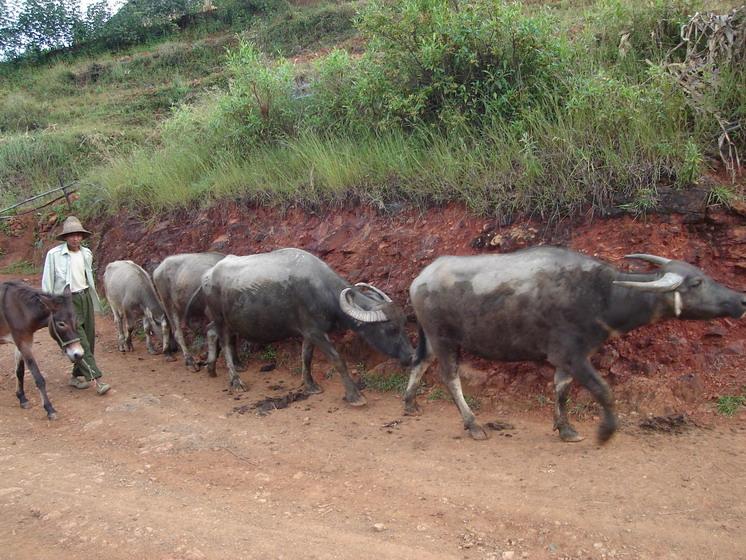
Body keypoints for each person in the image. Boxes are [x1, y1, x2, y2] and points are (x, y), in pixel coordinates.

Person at [41, 216, 111, 395]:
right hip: (66, 302)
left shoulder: (86, 253)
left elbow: (87, 277)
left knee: (88, 338)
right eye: (71, 235)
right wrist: (50, 307)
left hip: (85, 297)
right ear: (65, 237)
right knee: (79, 340)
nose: (75, 238)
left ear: (82, 236)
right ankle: (97, 380)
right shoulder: (54, 255)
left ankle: (76, 376)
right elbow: (47, 283)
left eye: (78, 235)